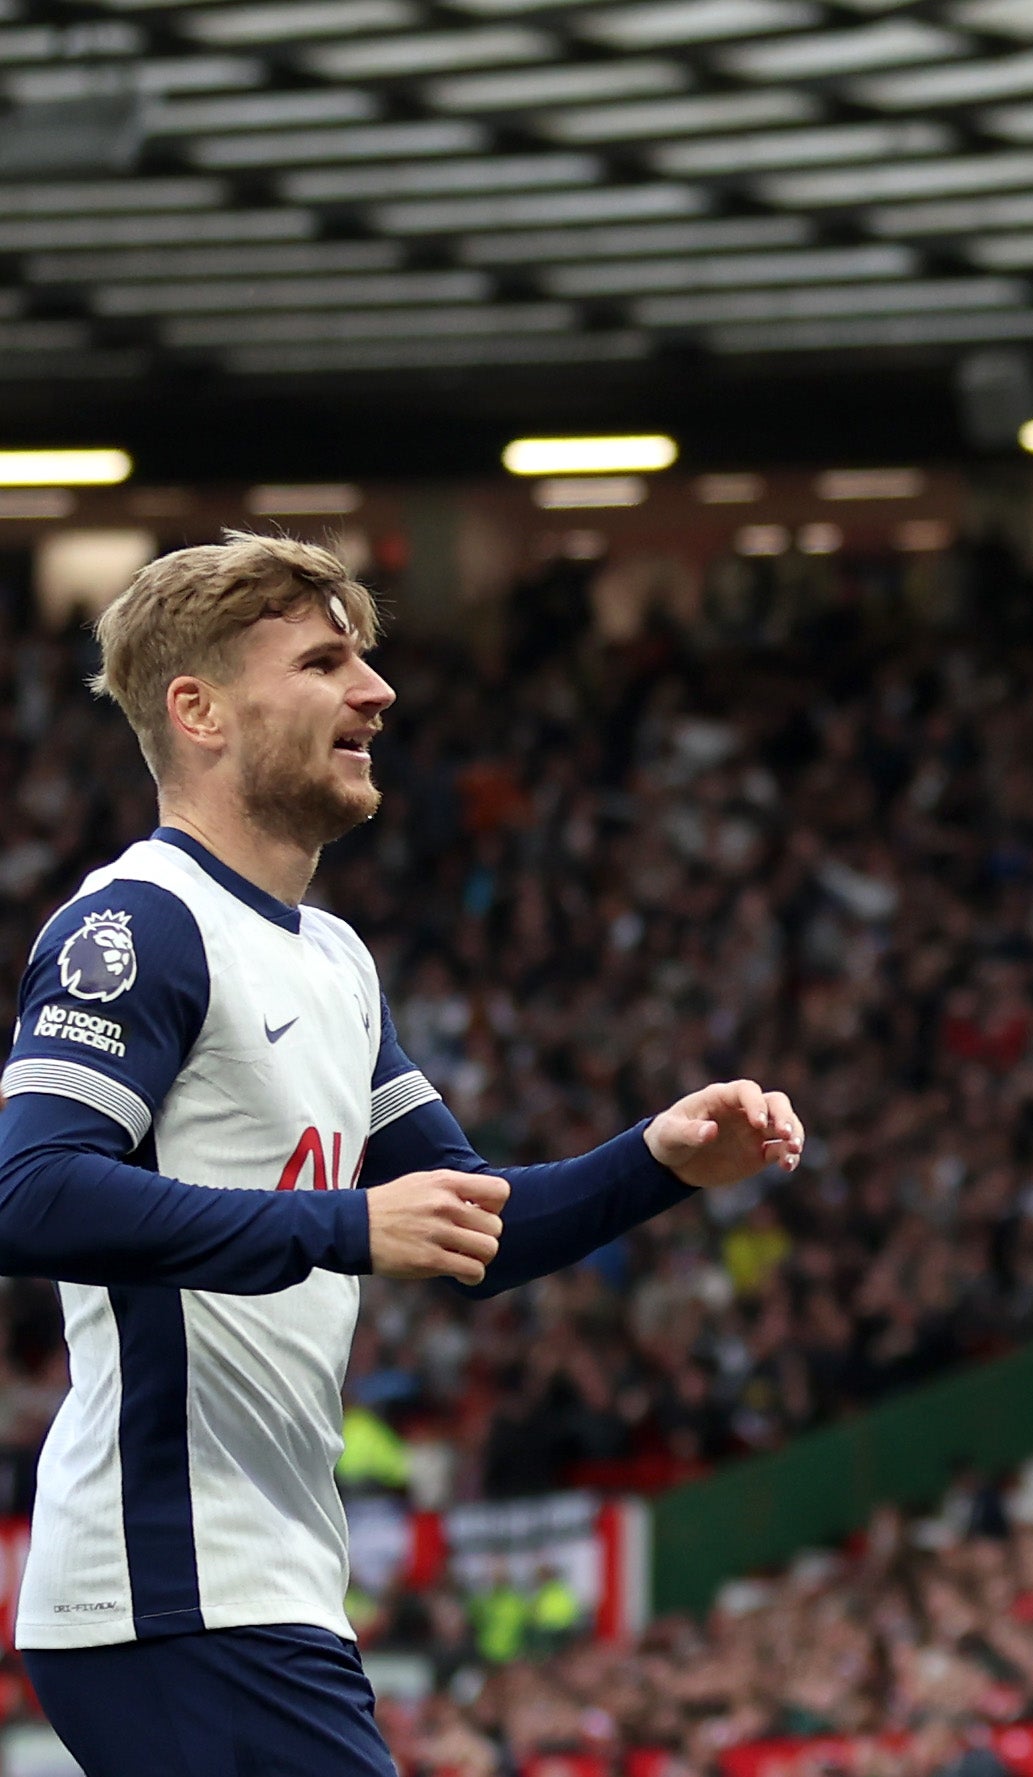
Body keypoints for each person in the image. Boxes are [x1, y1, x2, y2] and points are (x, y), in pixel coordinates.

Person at [0, 534, 804, 1774]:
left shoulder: (332, 959)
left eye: (364, 661)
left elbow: (465, 1227)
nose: (375, 692)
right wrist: (340, 1226)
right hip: (170, 1581)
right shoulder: (139, 922)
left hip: (262, 1581)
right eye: (324, 662)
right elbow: (31, 1191)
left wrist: (657, 1159)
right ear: (198, 709)